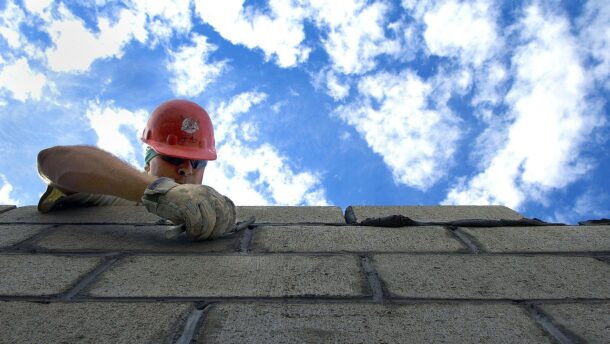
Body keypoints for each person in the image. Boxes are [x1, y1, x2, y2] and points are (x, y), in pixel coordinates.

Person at [36, 99, 236, 241]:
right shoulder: (116, 195)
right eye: (173, 158)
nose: (186, 169)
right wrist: (161, 191)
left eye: (198, 162)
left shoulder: (213, 219)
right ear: (148, 163)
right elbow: (52, 161)